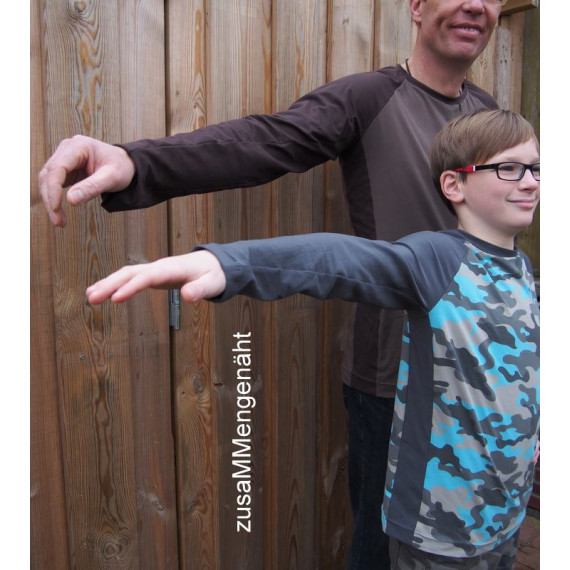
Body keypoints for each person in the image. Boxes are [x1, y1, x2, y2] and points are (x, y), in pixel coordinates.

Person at [38, 1, 508, 566]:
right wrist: (137, 162)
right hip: (395, 377)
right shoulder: (370, 97)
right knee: (384, 547)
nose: (475, 5)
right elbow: (263, 142)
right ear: (416, 6)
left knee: (478, 532)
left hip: (483, 371)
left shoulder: (488, 112)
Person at [85, 109, 540, 569]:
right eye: (509, 168)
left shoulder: (522, 268)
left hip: (507, 515)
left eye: (536, 168)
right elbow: (337, 258)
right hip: (443, 535)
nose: (529, 182)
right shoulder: (438, 261)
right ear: (454, 184)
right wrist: (229, 264)